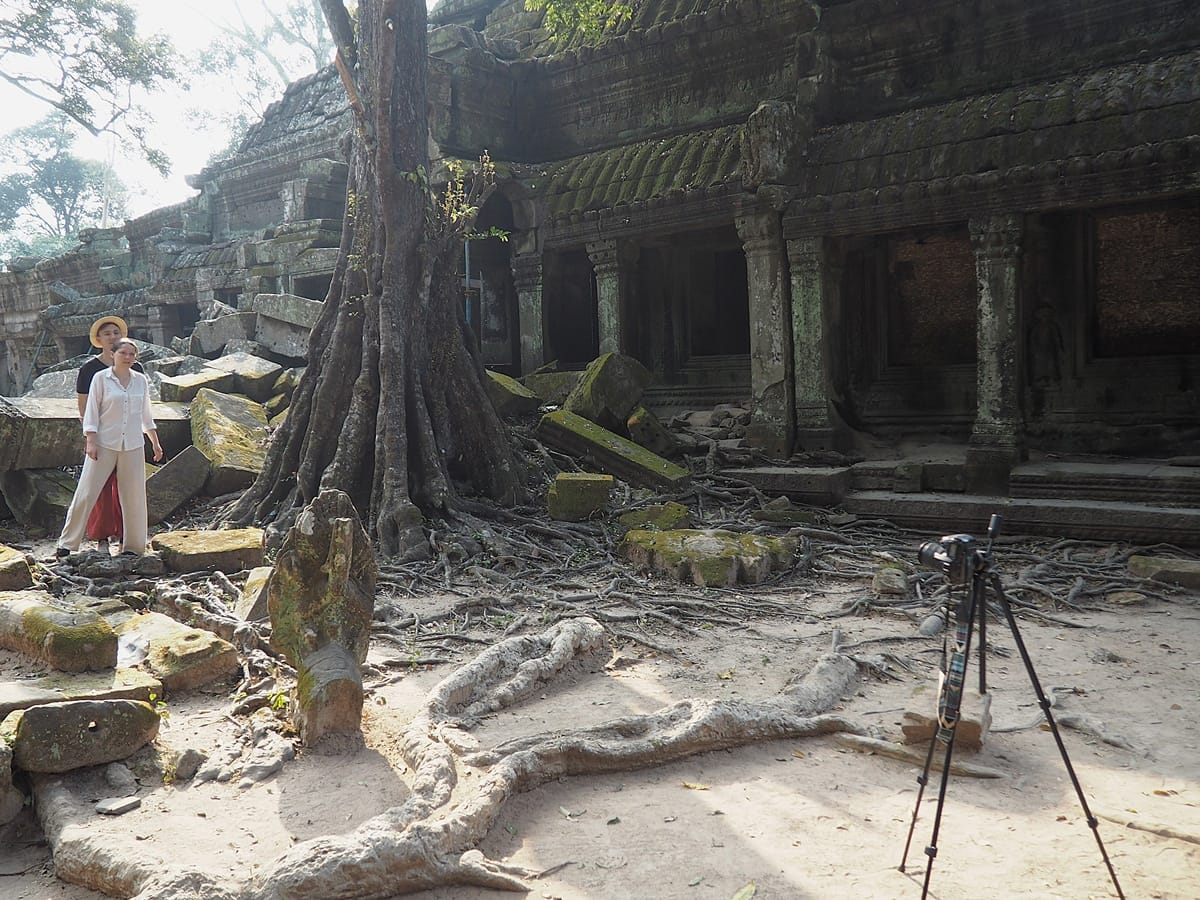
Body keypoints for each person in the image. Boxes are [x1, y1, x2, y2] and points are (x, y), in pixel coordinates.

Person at [57, 338, 163, 557]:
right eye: (123, 353)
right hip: (104, 443)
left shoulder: (140, 380)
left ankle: (134, 546)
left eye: (132, 354)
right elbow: (91, 411)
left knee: (134, 496)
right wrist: (90, 440)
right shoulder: (100, 378)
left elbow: (145, 414)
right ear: (113, 354)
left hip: (133, 444)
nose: (128, 357)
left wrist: (155, 441)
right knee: (87, 491)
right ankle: (66, 544)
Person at [75, 316, 145, 550]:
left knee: (128, 489)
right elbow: (84, 407)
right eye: (107, 334)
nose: (112, 337)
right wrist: (91, 436)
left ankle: (127, 537)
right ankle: (101, 537)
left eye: (116, 333)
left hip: (129, 438)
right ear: (99, 339)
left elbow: (141, 406)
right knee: (99, 488)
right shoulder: (90, 370)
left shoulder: (136, 369)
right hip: (101, 436)